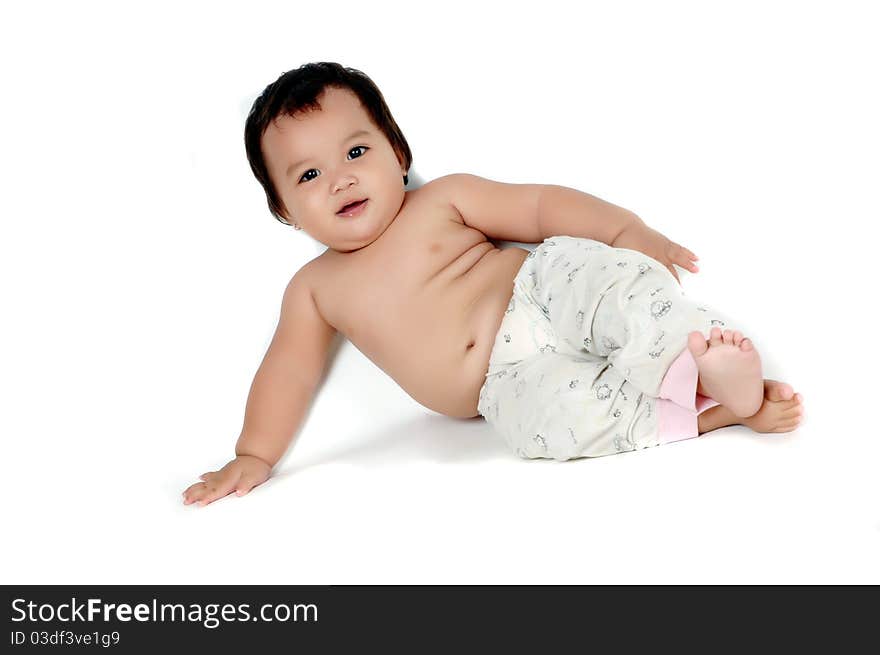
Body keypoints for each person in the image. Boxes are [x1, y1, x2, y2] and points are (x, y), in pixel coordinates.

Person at [183, 62, 804, 507]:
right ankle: (718, 410)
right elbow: (288, 371)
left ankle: (695, 357)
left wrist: (625, 228)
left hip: (540, 291)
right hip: (499, 385)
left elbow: (536, 208)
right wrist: (253, 454)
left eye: (356, 152)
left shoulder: (441, 200)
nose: (341, 181)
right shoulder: (314, 288)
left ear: (398, 153)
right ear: (285, 210)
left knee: (615, 286)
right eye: (310, 173)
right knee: (552, 426)